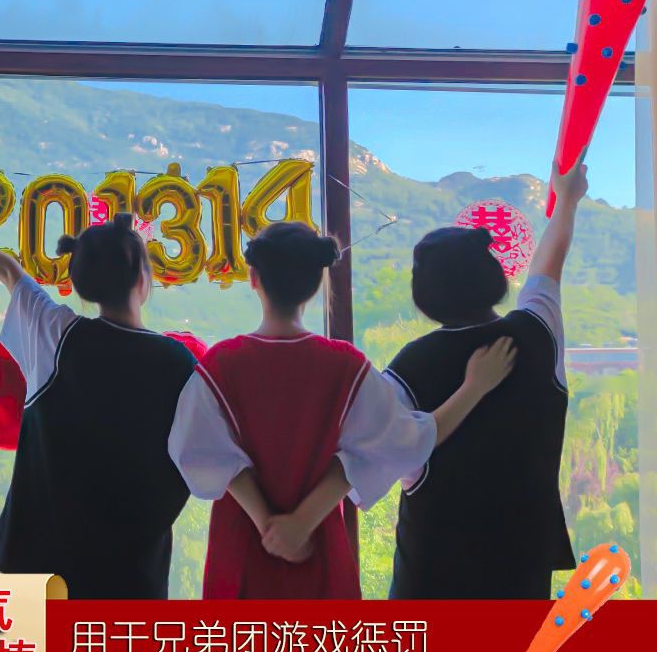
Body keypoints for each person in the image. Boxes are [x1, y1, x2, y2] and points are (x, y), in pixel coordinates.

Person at [168, 221, 516, 599]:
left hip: (240, 550)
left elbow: (200, 453)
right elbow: (405, 441)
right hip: (319, 548)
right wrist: (473, 388)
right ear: (318, 283)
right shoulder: (347, 367)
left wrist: (267, 523)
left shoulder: (220, 366)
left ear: (254, 278)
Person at [0, 181, 195, 599]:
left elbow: (9, 271)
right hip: (131, 576)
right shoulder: (178, 362)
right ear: (142, 279)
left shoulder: (57, 337)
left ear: (80, 282)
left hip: (42, 570)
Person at [383, 155, 589, 600]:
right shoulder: (537, 333)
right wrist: (567, 200)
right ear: (494, 277)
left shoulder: (406, 369)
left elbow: (384, 456)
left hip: (430, 578)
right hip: (521, 569)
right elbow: (547, 270)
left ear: (425, 295)